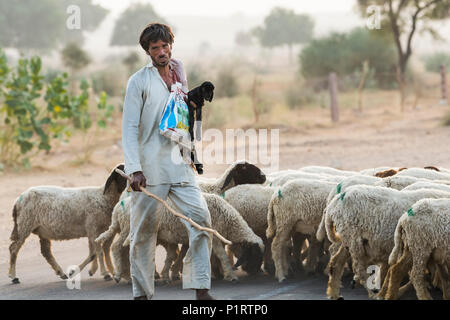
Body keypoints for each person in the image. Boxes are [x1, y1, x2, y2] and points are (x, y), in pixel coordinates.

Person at [121, 22, 214, 300]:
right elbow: (128, 128)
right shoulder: (139, 81)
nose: (161, 52)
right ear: (147, 52)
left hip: (179, 164)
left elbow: (182, 119)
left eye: (165, 46)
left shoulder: (179, 71)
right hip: (150, 168)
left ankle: (201, 289)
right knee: (143, 233)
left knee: (201, 221)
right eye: (155, 48)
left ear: (171, 45)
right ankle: (142, 294)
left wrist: (194, 103)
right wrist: (134, 169)